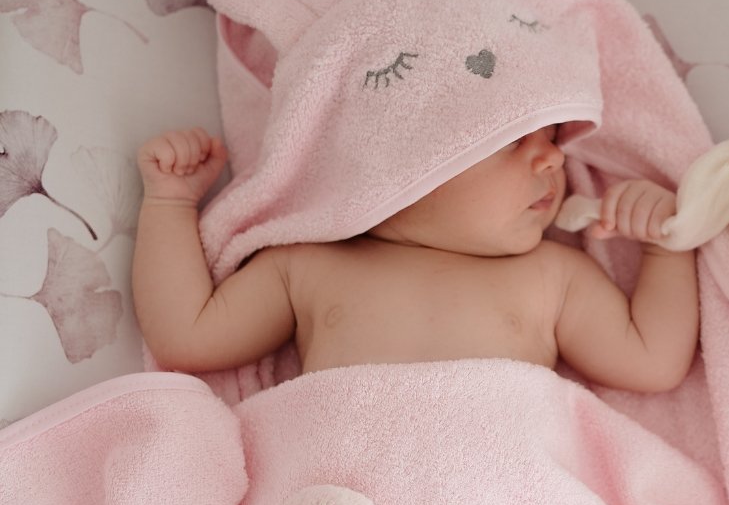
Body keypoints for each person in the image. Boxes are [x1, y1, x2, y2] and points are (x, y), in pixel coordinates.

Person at [132, 123, 700, 392]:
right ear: (407, 166)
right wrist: (169, 203)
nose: (551, 158)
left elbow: (653, 362)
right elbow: (186, 336)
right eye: (511, 142)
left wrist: (664, 245)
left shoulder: (552, 274)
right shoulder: (309, 264)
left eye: (552, 141)